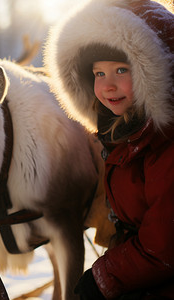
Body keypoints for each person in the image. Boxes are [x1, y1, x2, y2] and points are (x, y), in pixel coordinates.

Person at [44, 0, 174, 299]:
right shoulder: (123, 132)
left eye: (120, 69)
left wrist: (104, 276)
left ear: (156, 71)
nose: (108, 86)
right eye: (98, 73)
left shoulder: (164, 145)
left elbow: (164, 248)